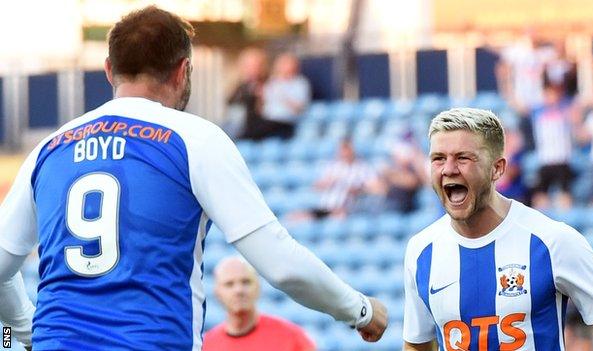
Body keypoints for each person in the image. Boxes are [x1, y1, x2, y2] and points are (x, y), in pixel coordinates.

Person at [0, 7, 387, 350]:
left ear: (108, 69)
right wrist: (360, 309)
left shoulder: (48, 150)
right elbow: (280, 262)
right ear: (183, 69)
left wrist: (24, 329)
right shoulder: (193, 139)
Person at [403, 108, 593, 350]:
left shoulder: (552, 241)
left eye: (463, 157)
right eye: (438, 158)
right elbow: (416, 345)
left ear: (497, 168)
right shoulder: (421, 251)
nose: (448, 169)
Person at [202, 256, 316, 351]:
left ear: (258, 287)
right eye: (229, 284)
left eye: (246, 282)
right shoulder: (205, 345)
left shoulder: (292, 337)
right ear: (217, 293)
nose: (239, 290)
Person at [530, 83, 576, 209]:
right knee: (540, 194)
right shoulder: (537, 114)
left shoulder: (566, 112)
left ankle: (568, 220)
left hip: (562, 158)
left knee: (564, 192)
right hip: (545, 159)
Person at [261, 53, 311, 139]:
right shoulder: (272, 82)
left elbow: (300, 108)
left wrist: (283, 96)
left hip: (286, 122)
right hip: (268, 120)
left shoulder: (300, 83)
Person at [227, 47, 269, 140]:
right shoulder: (240, 86)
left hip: (258, 130)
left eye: (255, 65)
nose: (251, 69)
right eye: (248, 66)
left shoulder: (268, 85)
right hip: (239, 128)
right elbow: (231, 103)